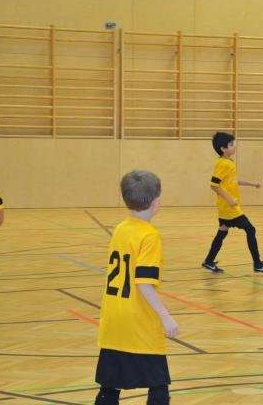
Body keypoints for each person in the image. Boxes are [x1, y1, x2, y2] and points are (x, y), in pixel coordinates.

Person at [95, 170, 179, 405]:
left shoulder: (121, 228)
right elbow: (143, 283)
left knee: (109, 387)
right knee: (158, 386)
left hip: (113, 319)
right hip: (138, 321)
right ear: (155, 202)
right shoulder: (150, 236)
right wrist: (165, 317)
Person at [202, 132, 263, 273]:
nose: (234, 147)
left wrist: (252, 183)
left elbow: (233, 181)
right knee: (250, 229)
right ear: (223, 148)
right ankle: (257, 264)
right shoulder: (223, 164)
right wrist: (230, 199)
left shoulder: (227, 162)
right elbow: (214, 185)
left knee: (222, 232)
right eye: (231, 145)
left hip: (224, 207)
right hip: (229, 207)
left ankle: (209, 261)